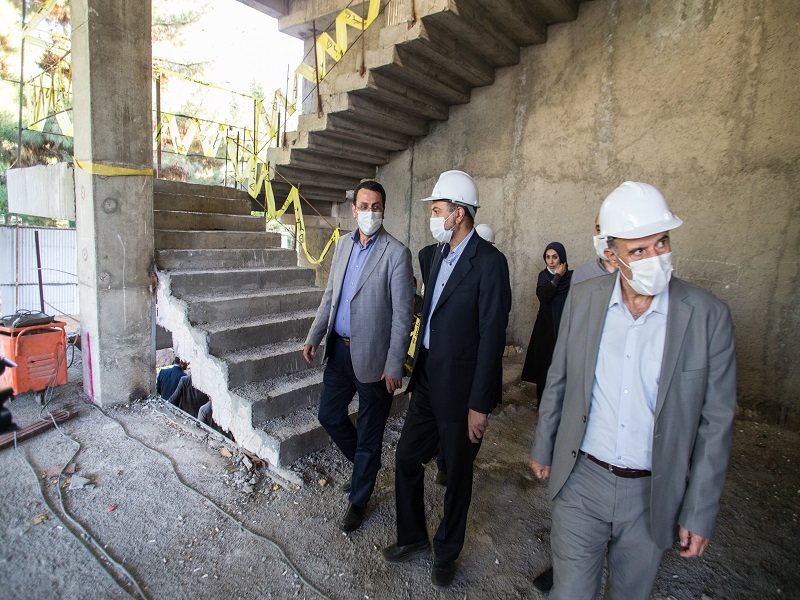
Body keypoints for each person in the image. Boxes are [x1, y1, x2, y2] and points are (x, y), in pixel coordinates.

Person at [530, 181, 737, 600]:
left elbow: (716, 423)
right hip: (582, 479)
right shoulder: (585, 299)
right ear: (612, 255)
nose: (656, 258)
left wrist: (699, 509)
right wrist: (543, 446)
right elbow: (560, 377)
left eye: (662, 243)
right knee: (570, 592)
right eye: (639, 250)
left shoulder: (707, 317)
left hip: (652, 491)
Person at [381, 170, 512, 589]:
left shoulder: (490, 263)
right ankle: (413, 538)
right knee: (406, 458)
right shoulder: (437, 255)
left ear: (459, 214)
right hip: (426, 381)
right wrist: (413, 372)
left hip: (461, 391)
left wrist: (480, 404)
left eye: (438, 210)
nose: (433, 217)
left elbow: (492, 339)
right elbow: (430, 317)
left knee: (457, 475)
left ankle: (447, 551)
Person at [303, 179, 413, 534]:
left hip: (376, 361)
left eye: (376, 206)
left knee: (369, 434)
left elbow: (403, 317)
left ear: (384, 210)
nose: (369, 212)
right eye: (364, 206)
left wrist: (395, 365)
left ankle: (360, 498)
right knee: (329, 415)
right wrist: (315, 335)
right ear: (354, 210)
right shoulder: (343, 246)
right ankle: (366, 468)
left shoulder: (396, 254)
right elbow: (331, 295)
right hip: (339, 351)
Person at [532, 218, 616, 594]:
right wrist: (545, 443)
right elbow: (562, 369)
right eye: (599, 227)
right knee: (575, 504)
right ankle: (566, 565)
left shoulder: (656, 288)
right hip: (582, 412)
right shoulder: (581, 278)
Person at [521, 243, 572, 406]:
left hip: (564, 327)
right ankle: (543, 404)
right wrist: (557, 277)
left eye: (554, 257)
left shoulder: (571, 278)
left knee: (562, 366)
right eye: (548, 257)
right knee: (544, 367)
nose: (551, 261)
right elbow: (545, 296)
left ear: (562, 258)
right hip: (546, 329)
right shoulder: (544, 276)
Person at [571, 215, 617, 285]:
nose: (602, 236)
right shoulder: (581, 274)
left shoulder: (633, 273)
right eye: (599, 230)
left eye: (609, 230)